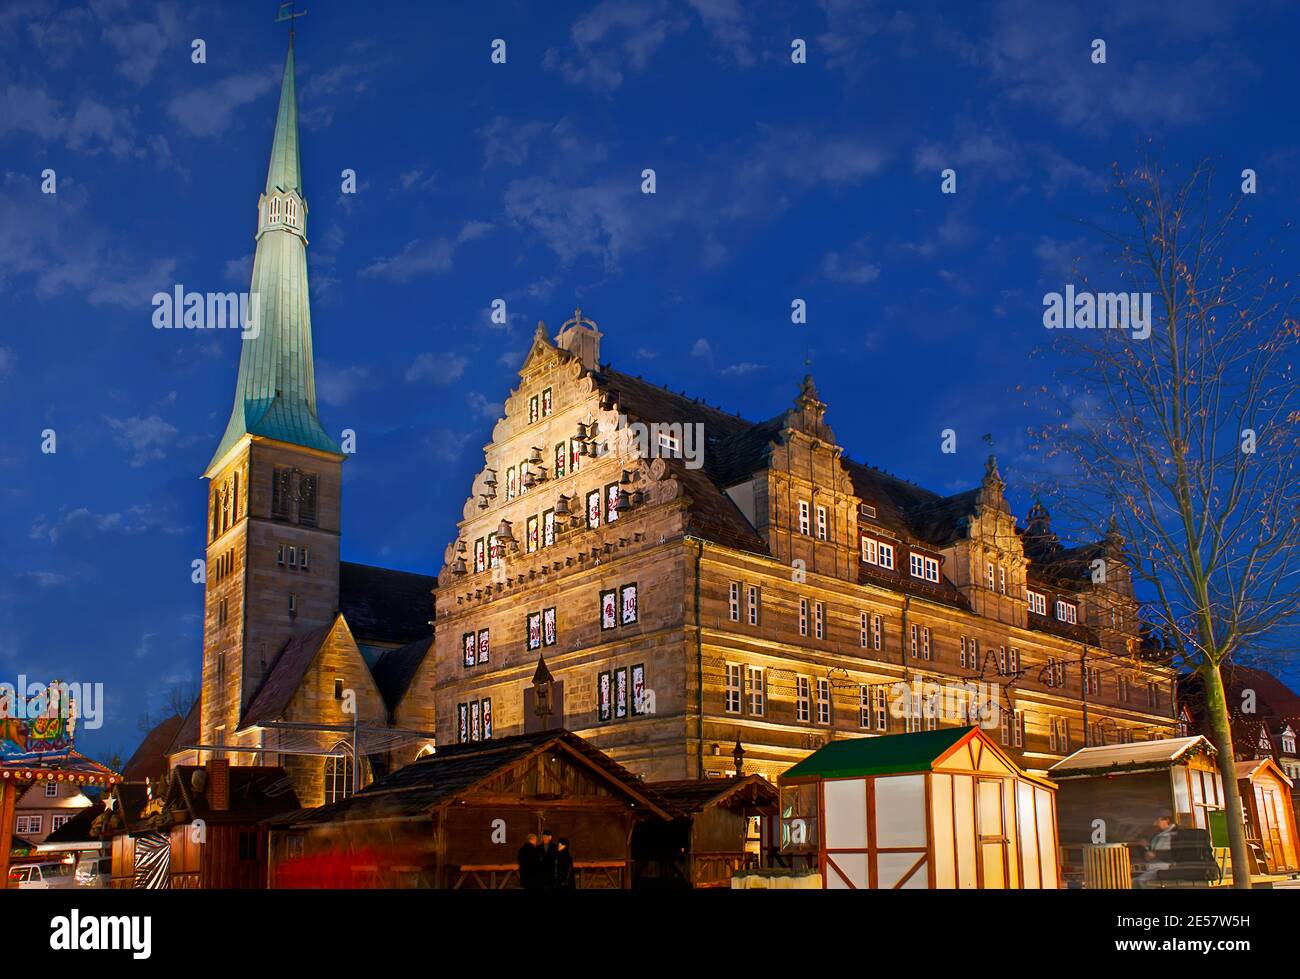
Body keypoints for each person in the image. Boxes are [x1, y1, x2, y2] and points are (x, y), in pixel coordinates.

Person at [1134, 813, 1176, 888]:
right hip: (1154, 867)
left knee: (1141, 881)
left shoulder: (1176, 833)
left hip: (1165, 868)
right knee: (1133, 881)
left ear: (1167, 820)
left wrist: (1155, 854)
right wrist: (1146, 847)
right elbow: (1153, 851)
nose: (1154, 824)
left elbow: (1176, 852)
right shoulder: (1158, 835)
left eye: (1157, 821)